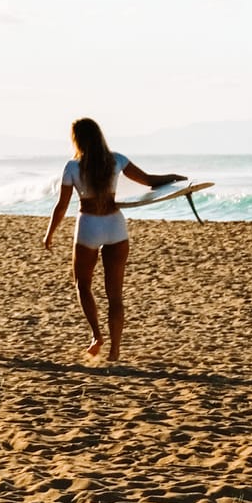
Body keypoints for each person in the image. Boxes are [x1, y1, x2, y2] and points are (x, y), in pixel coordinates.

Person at [43, 117, 185, 362]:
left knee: (82, 284)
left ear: (76, 139)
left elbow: (62, 205)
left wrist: (50, 232)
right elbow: (150, 180)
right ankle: (115, 350)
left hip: (89, 225)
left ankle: (97, 336)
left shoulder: (72, 167)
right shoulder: (117, 160)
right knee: (115, 295)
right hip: (115, 226)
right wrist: (174, 178)